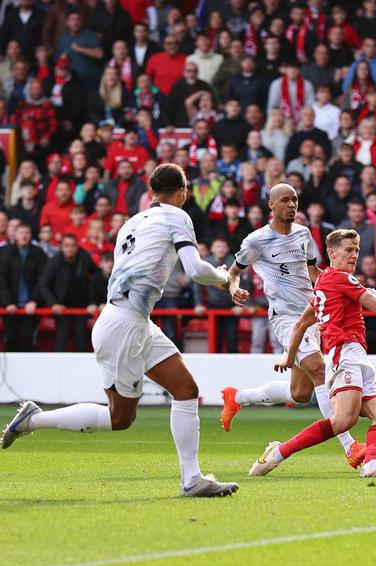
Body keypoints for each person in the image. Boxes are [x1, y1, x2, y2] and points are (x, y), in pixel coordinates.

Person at [2, 164, 239, 497]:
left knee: (186, 389)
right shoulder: (176, 216)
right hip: (125, 324)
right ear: (182, 192)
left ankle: (191, 479)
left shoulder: (133, 221)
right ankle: (32, 420)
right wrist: (225, 277)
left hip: (132, 320)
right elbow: (195, 269)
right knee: (120, 418)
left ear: (150, 189)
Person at [219, 184, 365, 466]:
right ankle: (350, 447)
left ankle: (237, 397)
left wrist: (340, 287)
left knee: (300, 393)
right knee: (318, 369)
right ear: (271, 205)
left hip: (313, 314)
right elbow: (233, 272)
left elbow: (313, 273)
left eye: (295, 200)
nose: (291, 205)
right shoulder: (256, 241)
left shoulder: (304, 233)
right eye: (285, 200)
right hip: (286, 317)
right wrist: (233, 288)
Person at [249, 229, 376, 479]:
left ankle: (373, 464)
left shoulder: (324, 283)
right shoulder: (342, 280)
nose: (354, 255)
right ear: (332, 253)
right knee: (344, 421)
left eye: (356, 250)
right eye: (348, 250)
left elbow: (301, 325)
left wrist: (290, 358)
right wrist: (374, 292)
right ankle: (277, 453)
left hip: (356, 356)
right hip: (344, 355)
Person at [38, 234, 100, 352]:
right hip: (61, 306)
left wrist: (93, 302)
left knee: (81, 336)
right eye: (67, 246)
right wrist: (53, 303)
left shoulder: (84, 258)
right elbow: (43, 284)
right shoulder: (54, 262)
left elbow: (96, 280)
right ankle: (56, 367)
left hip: (82, 306)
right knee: (62, 335)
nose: (70, 249)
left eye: (73, 246)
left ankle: (82, 367)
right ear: (61, 247)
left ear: (77, 247)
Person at [0, 225, 46, 351]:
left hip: (31, 307)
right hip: (10, 307)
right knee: (10, 337)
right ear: (15, 235)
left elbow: (42, 280)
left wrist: (34, 300)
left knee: (28, 338)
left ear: (31, 235)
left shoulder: (38, 253)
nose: (24, 236)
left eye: (27, 233)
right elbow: (2, 281)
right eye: (21, 233)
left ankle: (31, 370)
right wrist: (7, 302)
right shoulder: (5, 253)